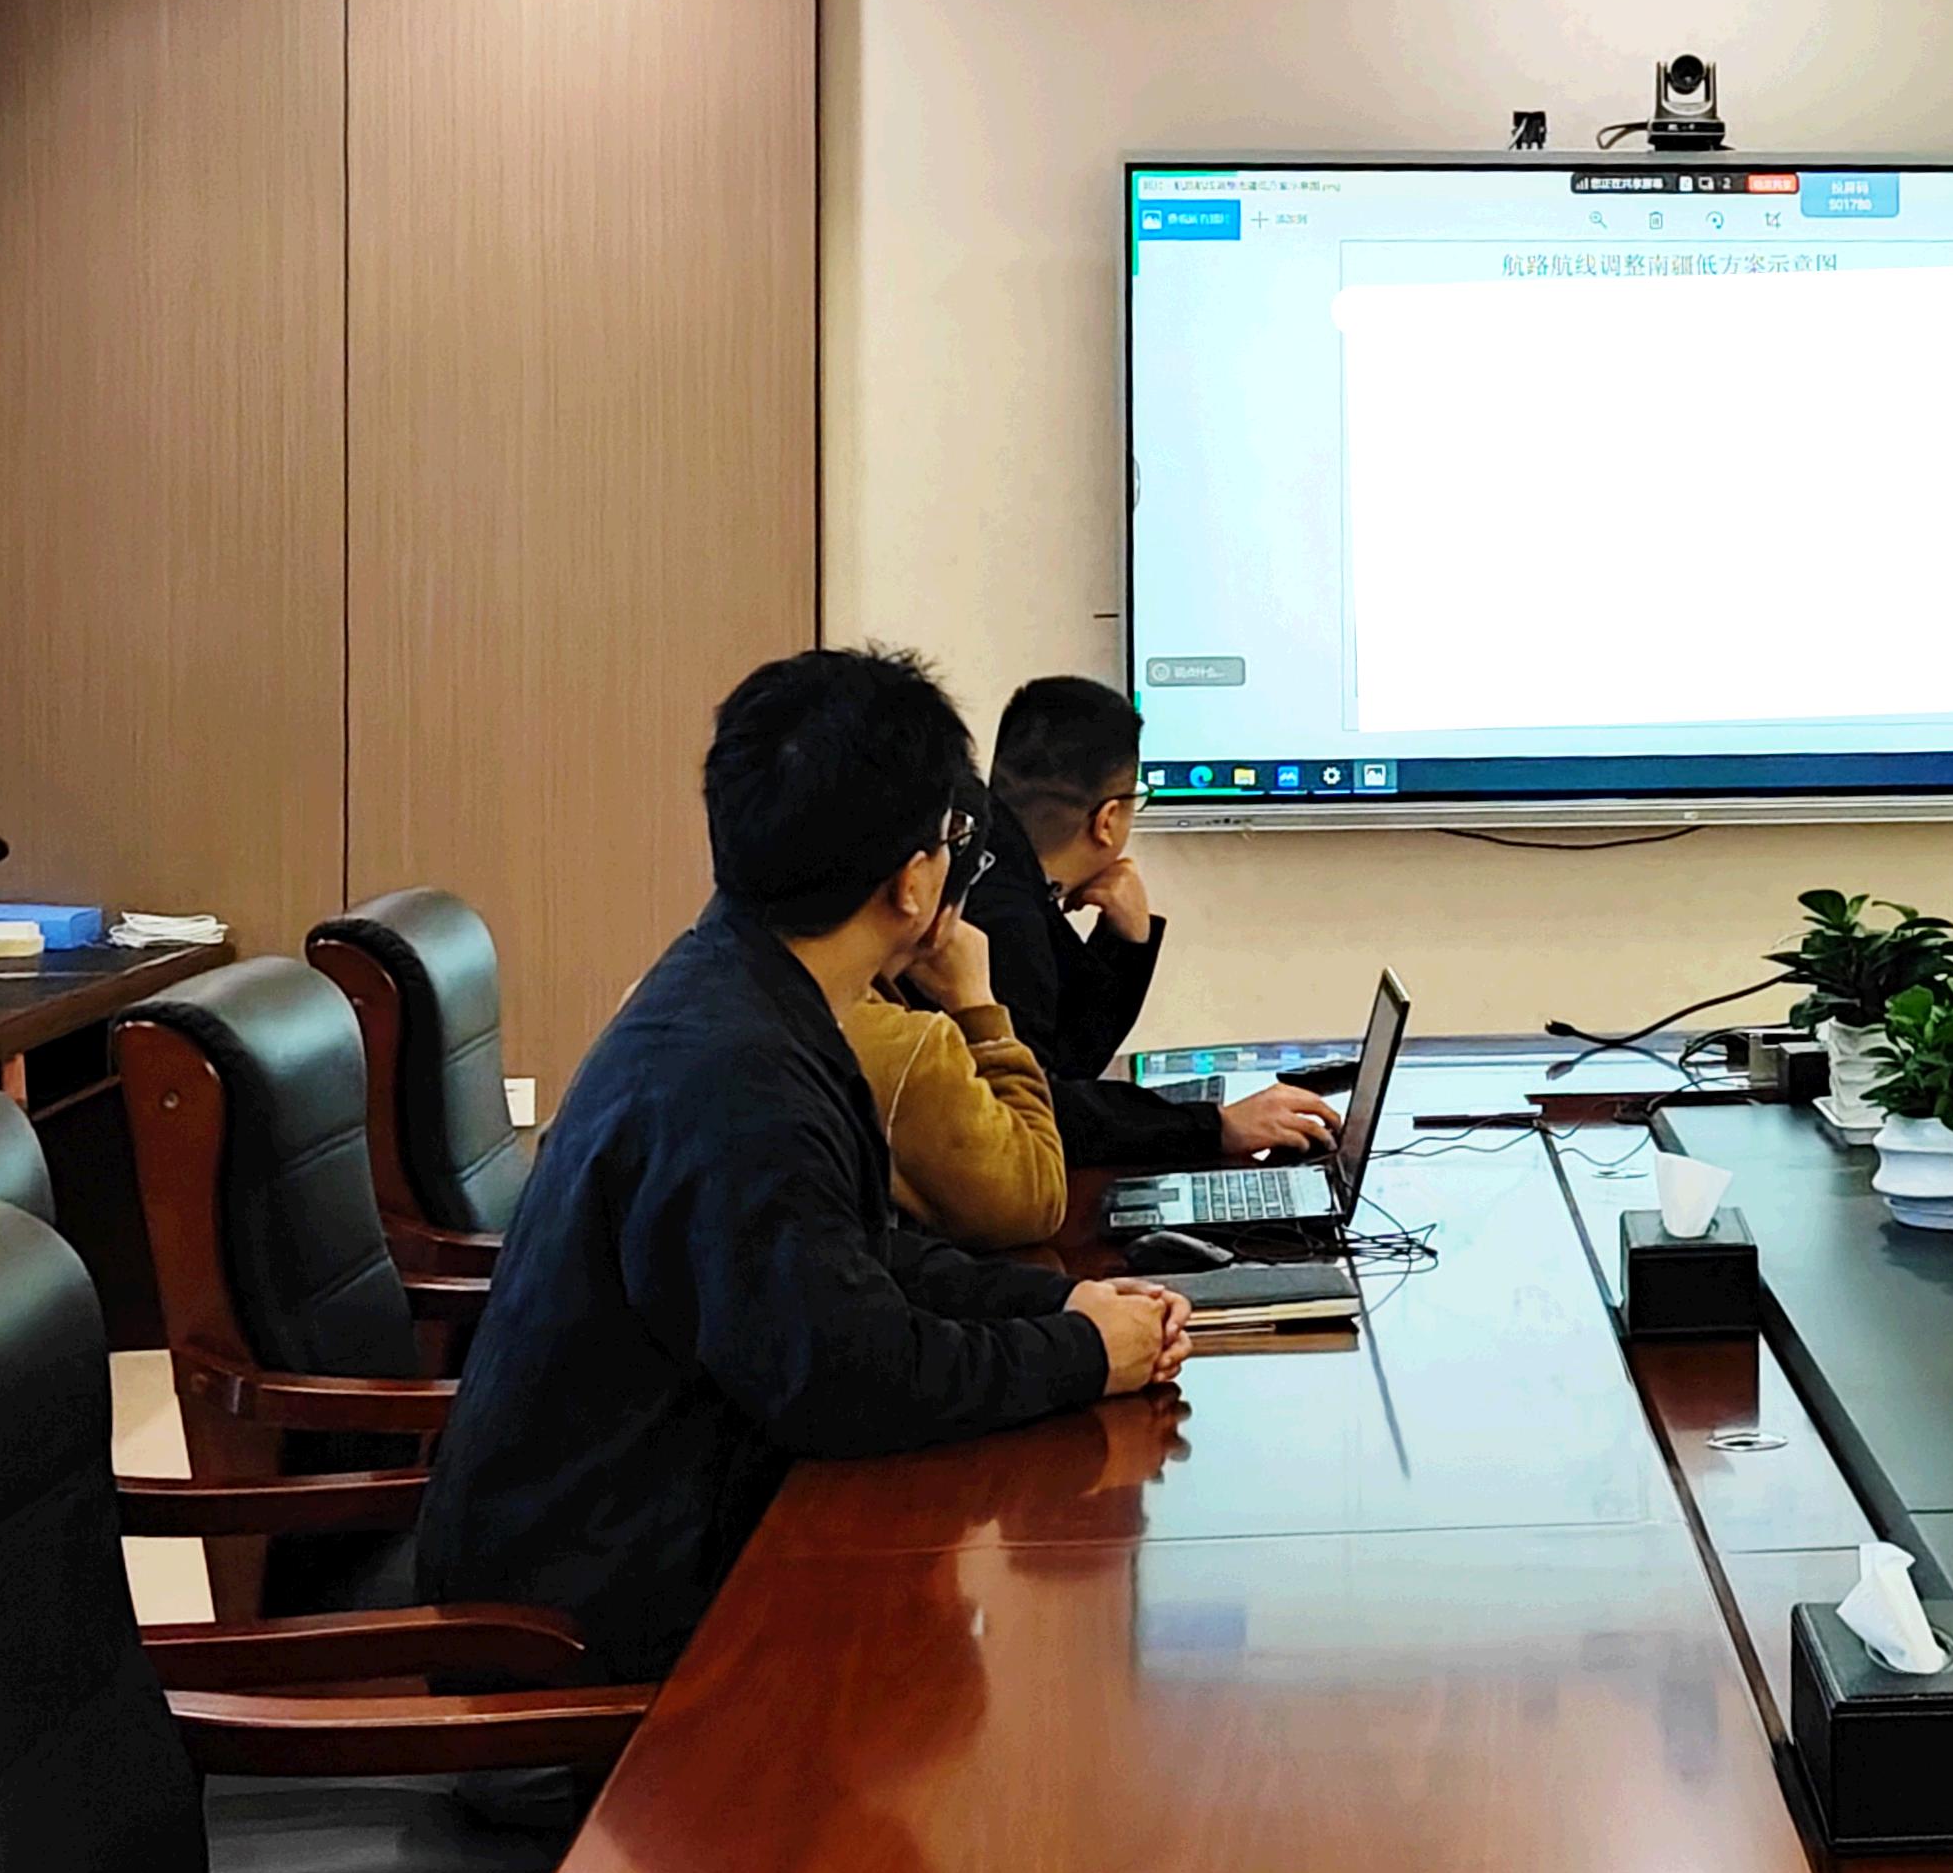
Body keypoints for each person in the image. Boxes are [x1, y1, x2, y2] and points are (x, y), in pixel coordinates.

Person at [416, 647, 1193, 1682]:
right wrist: (1082, 1355)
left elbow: (854, 1261)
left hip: (633, 1546)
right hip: (587, 1644)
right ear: (913, 881)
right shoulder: (742, 1079)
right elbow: (852, 1380)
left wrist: (1057, 1305)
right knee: (967, 1693)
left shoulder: (738, 987)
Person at [973, 675, 1332, 1172]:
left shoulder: (995, 865)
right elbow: (1040, 1111)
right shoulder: (1007, 919)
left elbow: (1065, 1060)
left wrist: (1124, 941)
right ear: (1107, 820)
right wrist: (1216, 1127)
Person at [839, 849, 1069, 1248]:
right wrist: (977, 1004)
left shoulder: (739, 981)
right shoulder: (905, 1048)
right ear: (913, 885)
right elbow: (1035, 1199)